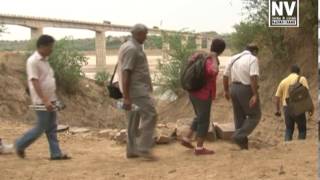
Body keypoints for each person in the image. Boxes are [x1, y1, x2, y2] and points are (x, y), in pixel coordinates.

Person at [15, 35, 70, 160]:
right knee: (41, 128)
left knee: (52, 127)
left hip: (51, 99)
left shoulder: (45, 60)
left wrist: (54, 99)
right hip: (41, 101)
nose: (52, 49)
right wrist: (45, 100)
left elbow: (47, 80)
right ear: (41, 47)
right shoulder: (33, 61)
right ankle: (20, 144)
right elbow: (35, 82)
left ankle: (56, 154)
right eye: (50, 46)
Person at [117, 24, 157, 160]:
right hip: (136, 91)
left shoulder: (128, 46)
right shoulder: (132, 49)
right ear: (139, 34)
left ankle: (131, 150)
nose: (146, 37)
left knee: (133, 121)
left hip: (133, 90)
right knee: (151, 115)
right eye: (145, 34)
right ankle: (144, 147)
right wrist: (127, 97)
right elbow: (126, 72)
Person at [180, 39, 226, 155]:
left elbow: (189, 60)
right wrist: (214, 57)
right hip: (203, 94)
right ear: (222, 51)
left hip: (193, 92)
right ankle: (199, 148)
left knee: (199, 116)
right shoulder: (211, 60)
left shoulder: (201, 55)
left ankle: (187, 138)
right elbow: (214, 71)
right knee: (204, 121)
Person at [223, 44, 261, 150]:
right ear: (254, 51)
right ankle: (238, 135)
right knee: (255, 115)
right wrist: (254, 94)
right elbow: (253, 77)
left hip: (234, 88)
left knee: (239, 117)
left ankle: (243, 146)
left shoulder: (233, 58)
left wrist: (226, 90)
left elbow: (225, 75)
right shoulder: (252, 59)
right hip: (246, 89)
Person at [275, 65, 313, 141]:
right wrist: (311, 107)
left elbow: (277, 97)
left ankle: (287, 147)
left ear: (290, 72)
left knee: (289, 129)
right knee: (302, 129)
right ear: (299, 72)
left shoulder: (283, 81)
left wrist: (278, 110)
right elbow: (306, 94)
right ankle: (300, 147)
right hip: (298, 107)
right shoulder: (301, 79)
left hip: (287, 108)